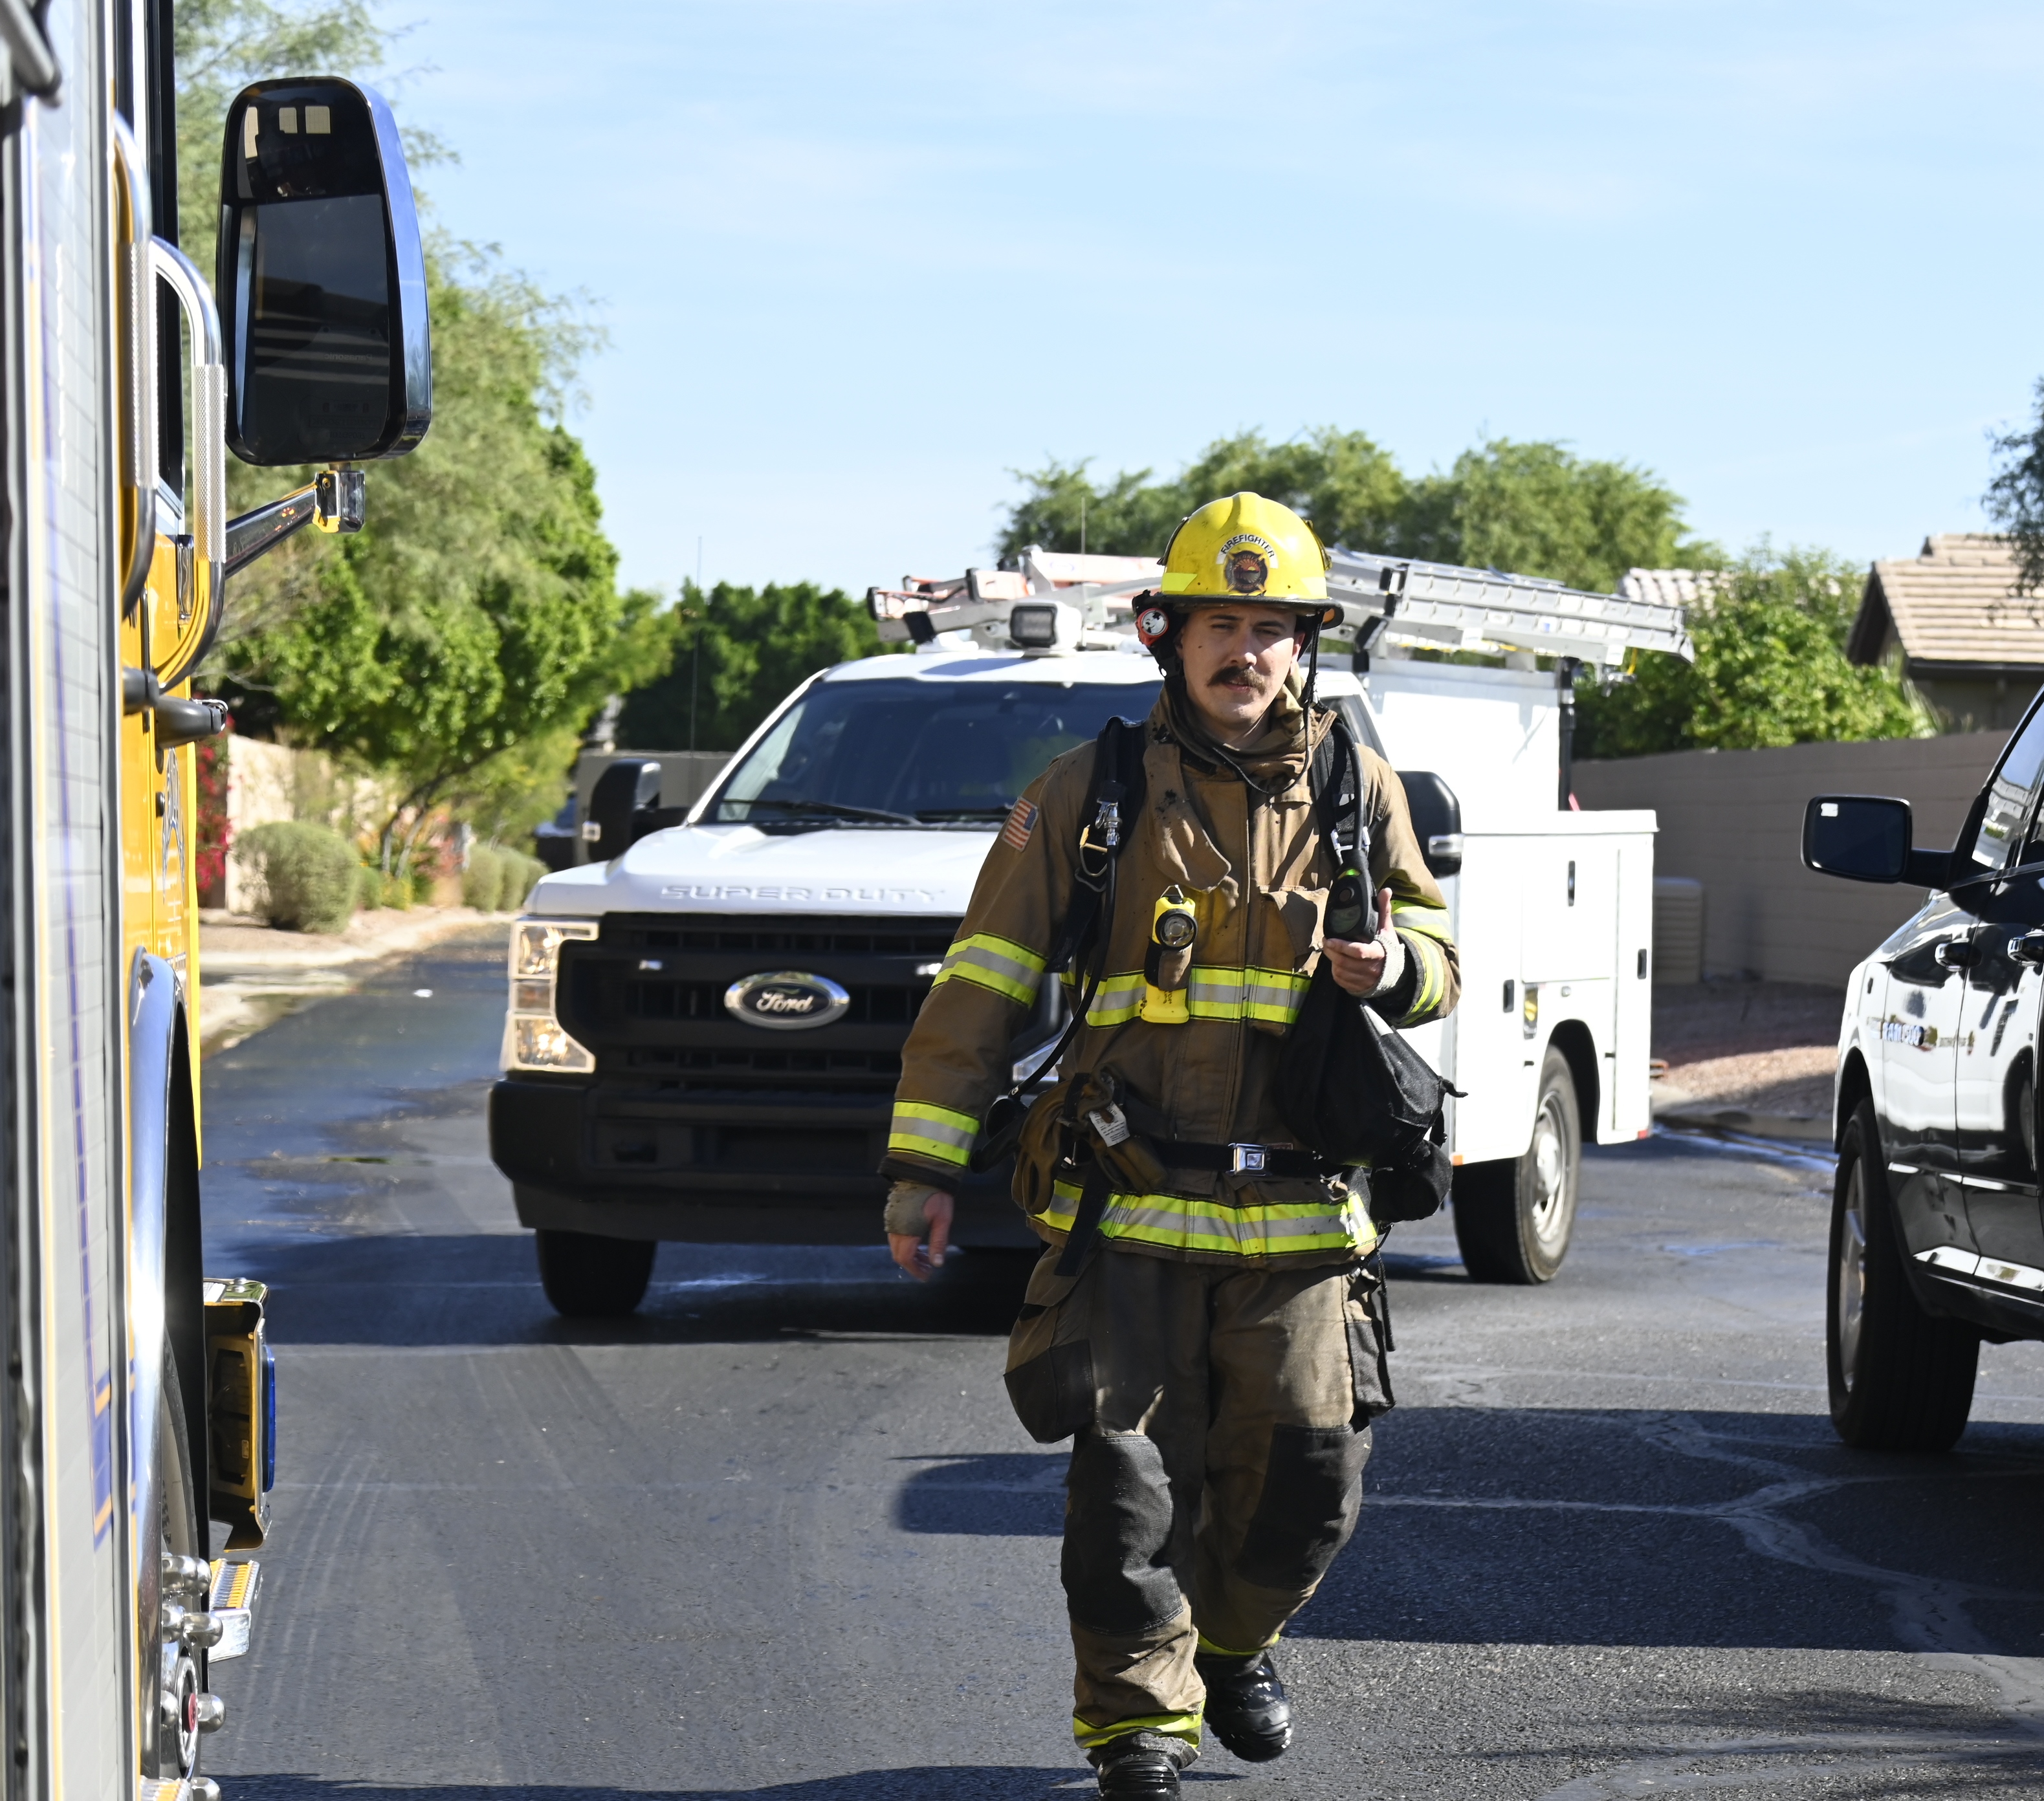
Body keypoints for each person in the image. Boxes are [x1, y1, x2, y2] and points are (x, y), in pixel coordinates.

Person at [879, 492, 1460, 1797]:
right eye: (1219, 625)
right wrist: (922, 1170)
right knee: (1127, 1496)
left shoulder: (1357, 789)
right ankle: (1138, 1724)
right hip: (1130, 1210)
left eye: (1270, 628)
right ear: (1169, 635)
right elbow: (979, 987)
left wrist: (1393, 968)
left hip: (1301, 1221)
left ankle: (1235, 1643)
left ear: (1303, 644)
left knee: (1309, 1483)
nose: (1244, 651)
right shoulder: (1085, 796)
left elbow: (1438, 952)